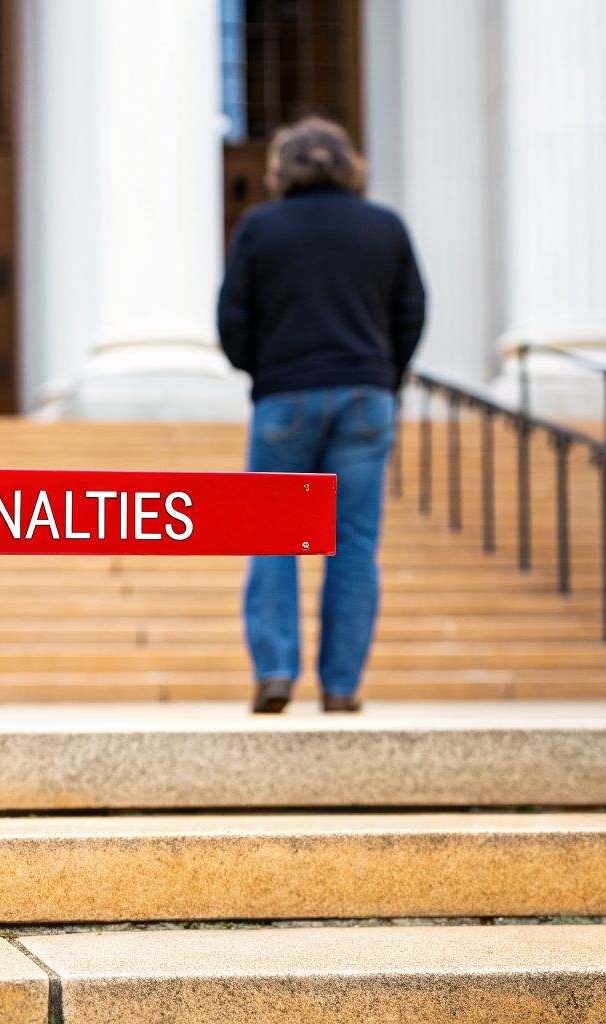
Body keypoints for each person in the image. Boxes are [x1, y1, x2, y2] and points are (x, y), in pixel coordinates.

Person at [217, 116, 426, 714]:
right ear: (349, 164)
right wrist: (386, 375)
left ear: (281, 169)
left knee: (272, 537)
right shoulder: (384, 227)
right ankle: (341, 685)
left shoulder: (260, 228)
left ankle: (276, 670)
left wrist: (262, 369)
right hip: (366, 396)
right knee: (354, 543)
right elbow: (412, 311)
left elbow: (232, 318)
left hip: (285, 396)